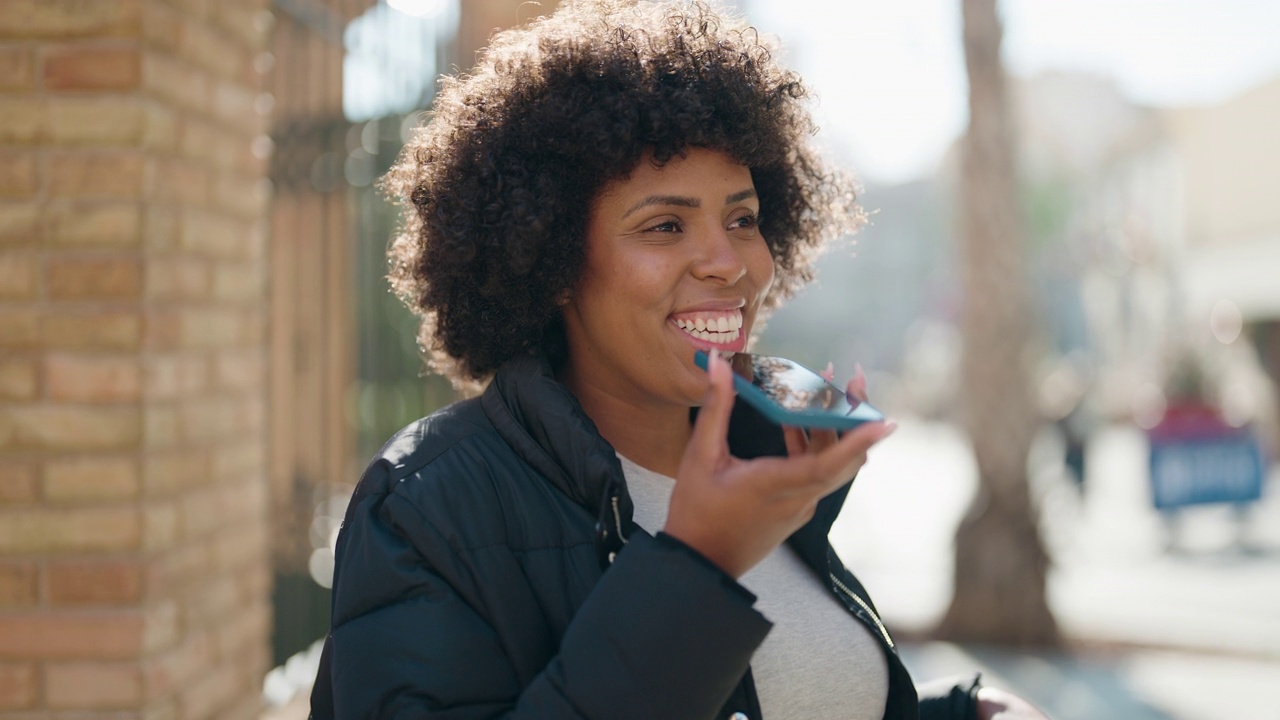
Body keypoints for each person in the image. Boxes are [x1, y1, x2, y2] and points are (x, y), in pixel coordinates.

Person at [310, 1, 1049, 718]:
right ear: (553, 259)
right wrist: (698, 566)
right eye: (665, 225)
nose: (727, 263)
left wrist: (965, 712)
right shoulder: (425, 507)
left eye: (743, 219)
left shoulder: (764, 474)